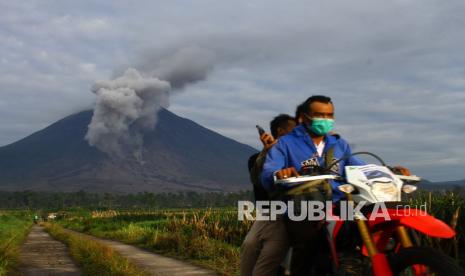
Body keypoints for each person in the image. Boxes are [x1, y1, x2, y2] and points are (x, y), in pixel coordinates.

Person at [261, 95, 365, 275]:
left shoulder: (339, 144)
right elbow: (268, 172)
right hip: (302, 205)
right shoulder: (285, 143)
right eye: (319, 115)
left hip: (338, 204)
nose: (325, 120)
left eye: (329, 115)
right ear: (304, 117)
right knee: (309, 245)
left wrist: (387, 170)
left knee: (363, 227)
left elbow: (357, 166)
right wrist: (278, 173)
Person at [241, 114, 296, 276]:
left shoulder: (300, 158)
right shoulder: (258, 159)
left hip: (293, 216)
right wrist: (269, 152)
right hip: (271, 217)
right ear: (281, 132)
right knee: (249, 246)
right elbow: (258, 178)